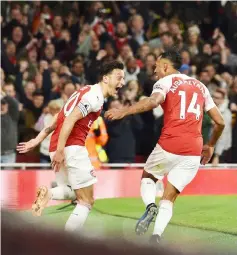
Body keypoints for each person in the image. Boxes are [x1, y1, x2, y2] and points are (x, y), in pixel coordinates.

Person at [105, 49, 225, 243]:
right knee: (169, 198)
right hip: (194, 149)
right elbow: (220, 122)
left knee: (148, 177)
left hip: (170, 142)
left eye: (157, 66)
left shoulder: (165, 82)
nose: (154, 70)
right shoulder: (201, 86)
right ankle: (156, 236)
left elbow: (153, 102)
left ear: (166, 66)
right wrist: (210, 145)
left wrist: (124, 111)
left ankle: (150, 205)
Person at [17, 60, 125, 233]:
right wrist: (61, 151)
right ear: (105, 78)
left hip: (56, 147)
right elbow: (69, 119)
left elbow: (57, 119)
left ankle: (49, 194)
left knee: (72, 191)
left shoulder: (83, 91)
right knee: (87, 201)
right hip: (71, 147)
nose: (122, 82)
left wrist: (37, 140)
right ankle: (68, 242)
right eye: (119, 77)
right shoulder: (94, 97)